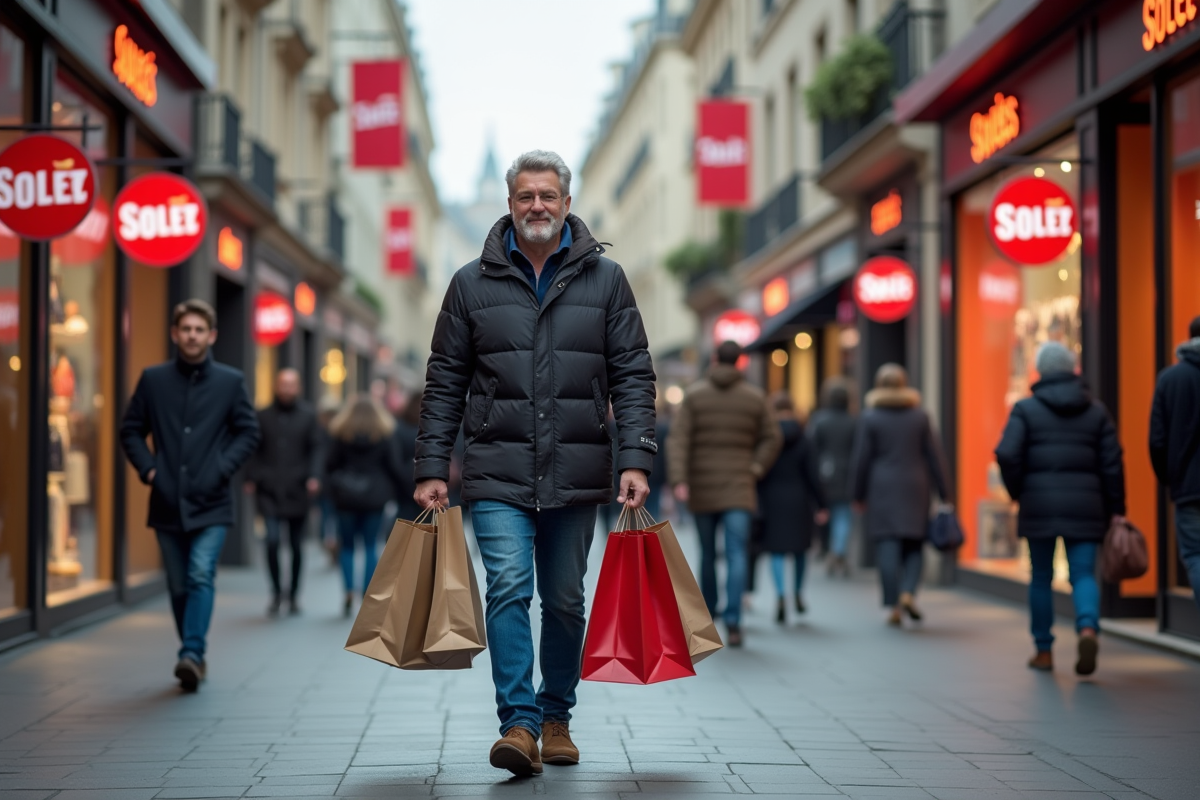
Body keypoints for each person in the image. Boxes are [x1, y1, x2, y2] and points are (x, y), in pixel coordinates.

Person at [413, 150, 657, 777]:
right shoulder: (471, 283)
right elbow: (445, 381)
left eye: (548, 196)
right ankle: (518, 723)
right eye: (526, 197)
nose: (538, 207)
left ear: (567, 204)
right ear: (510, 204)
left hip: (577, 471)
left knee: (566, 599)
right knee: (509, 590)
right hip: (496, 469)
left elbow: (632, 376)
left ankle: (556, 717)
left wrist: (634, 457)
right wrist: (432, 465)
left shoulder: (608, 280)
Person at [119, 299, 260, 692]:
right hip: (165, 499)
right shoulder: (153, 379)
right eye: (186, 329)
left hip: (212, 500)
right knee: (179, 584)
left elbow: (248, 432)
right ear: (175, 334)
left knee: (200, 573)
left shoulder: (230, 382)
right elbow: (130, 429)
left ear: (211, 335)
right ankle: (191, 650)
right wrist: (150, 469)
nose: (193, 336)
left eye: (200, 330)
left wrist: (220, 468)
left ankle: (193, 653)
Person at [995, 342, 1126, 675]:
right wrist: (1117, 507)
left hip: (1038, 503)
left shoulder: (1025, 409)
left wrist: (1017, 491)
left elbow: (1007, 454)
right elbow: (1113, 463)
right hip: (1086, 504)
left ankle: (1043, 651)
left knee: (1041, 577)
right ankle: (1086, 628)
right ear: (1073, 370)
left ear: (1040, 370)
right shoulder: (1096, 411)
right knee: (1082, 573)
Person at [667, 340, 783, 647]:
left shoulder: (694, 396)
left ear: (716, 360)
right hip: (739, 487)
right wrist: (756, 467)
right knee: (736, 553)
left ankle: (708, 618)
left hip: (702, 486)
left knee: (707, 553)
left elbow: (679, 440)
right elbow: (772, 437)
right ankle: (734, 621)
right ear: (741, 362)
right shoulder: (755, 398)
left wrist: (680, 479)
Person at [851, 363, 948, 628]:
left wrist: (857, 494)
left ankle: (892, 604)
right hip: (916, 486)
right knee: (914, 544)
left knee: (887, 545)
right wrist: (944, 492)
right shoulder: (920, 416)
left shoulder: (871, 417)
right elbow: (935, 456)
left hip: (882, 487)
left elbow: (862, 459)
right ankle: (908, 591)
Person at [245, 368, 322, 616]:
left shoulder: (309, 416)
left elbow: (317, 449)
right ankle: (277, 591)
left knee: (297, 545)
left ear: (298, 387)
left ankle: (294, 594)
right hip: (268, 489)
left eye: (291, 384)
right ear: (276, 386)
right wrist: (252, 476)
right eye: (283, 384)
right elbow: (252, 448)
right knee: (272, 540)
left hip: (298, 488)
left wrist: (314, 476)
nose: (287, 389)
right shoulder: (262, 415)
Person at [326, 394, 406, 618]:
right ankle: (367, 593)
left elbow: (329, 465)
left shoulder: (342, 434)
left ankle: (349, 590)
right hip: (375, 498)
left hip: (346, 497)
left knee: (348, 546)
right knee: (371, 545)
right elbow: (394, 466)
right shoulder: (384, 434)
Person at [757, 393, 828, 623]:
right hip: (799, 500)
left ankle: (780, 595)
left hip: (772, 500)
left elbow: (760, 470)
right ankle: (797, 592)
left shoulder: (766, 436)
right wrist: (822, 503)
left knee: (777, 551)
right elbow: (813, 474)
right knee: (800, 551)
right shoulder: (805, 437)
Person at [1151, 316, 1200, 612]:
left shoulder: (1171, 379)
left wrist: (1171, 478)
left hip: (1189, 487)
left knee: (1195, 554)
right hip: (1186, 483)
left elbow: (1157, 439)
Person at [808, 378, 858, 577]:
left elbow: (812, 448)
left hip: (825, 474)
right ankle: (838, 551)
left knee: (825, 514)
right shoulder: (854, 421)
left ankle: (831, 550)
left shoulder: (820, 420)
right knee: (843, 516)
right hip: (847, 475)